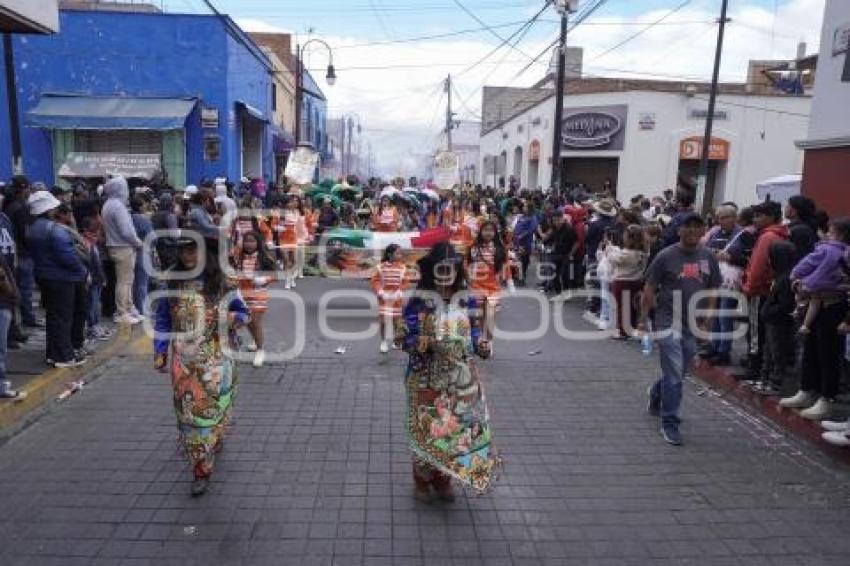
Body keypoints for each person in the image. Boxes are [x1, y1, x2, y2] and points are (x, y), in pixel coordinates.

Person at [396, 243, 500, 501]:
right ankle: (422, 479)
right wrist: (417, 343)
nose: (446, 272)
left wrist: (481, 345)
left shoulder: (468, 299)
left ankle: (444, 479)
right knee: (428, 428)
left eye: (450, 267)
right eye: (440, 268)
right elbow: (403, 336)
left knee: (455, 431)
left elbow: (474, 333)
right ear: (431, 271)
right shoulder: (419, 301)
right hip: (426, 377)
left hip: (459, 379)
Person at [153, 234, 250, 496]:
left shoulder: (223, 281)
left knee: (215, 407)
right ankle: (201, 468)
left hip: (217, 358)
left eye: (192, 251)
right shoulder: (169, 282)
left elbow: (244, 312)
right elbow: (162, 320)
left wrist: (233, 318)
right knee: (190, 414)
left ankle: (213, 439)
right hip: (184, 362)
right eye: (183, 251)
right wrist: (160, 350)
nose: (187, 256)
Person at [639, 213, 721, 446]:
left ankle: (656, 394)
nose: (693, 231)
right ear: (679, 230)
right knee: (675, 375)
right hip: (667, 321)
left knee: (678, 372)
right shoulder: (665, 256)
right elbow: (649, 288)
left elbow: (713, 288)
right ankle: (670, 423)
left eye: (698, 227)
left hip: (693, 324)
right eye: (688, 227)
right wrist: (643, 320)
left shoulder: (708, 256)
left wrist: (709, 318)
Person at [780, 218, 850, 420]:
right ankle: (807, 389)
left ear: (839, 234)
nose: (827, 234)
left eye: (831, 230)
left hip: (834, 306)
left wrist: (804, 284)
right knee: (811, 349)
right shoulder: (832, 250)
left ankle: (826, 398)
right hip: (819, 304)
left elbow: (814, 275)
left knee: (828, 354)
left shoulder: (833, 251)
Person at [26, 191, 89, 368]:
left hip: (44, 276)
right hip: (62, 279)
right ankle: (64, 356)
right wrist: (82, 270)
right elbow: (68, 256)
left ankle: (53, 354)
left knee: (54, 317)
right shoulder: (54, 230)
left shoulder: (33, 227)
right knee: (63, 317)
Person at [741, 201, 789, 379]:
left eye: (759, 215)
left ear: (770, 217)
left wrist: (749, 288)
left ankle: (754, 365)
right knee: (763, 331)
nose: (755, 219)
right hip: (770, 289)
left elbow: (758, 267)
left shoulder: (767, 237)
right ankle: (760, 364)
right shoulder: (780, 234)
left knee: (755, 329)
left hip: (759, 290)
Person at [102, 176, 144, 325]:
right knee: (124, 282)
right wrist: (138, 242)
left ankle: (129, 308)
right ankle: (122, 312)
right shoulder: (118, 206)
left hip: (115, 246)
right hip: (123, 247)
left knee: (126, 281)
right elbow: (126, 231)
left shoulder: (108, 204)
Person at [231, 231, 276, 367]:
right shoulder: (239, 257)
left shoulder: (264, 257)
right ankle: (256, 342)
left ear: (258, 242)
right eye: (247, 241)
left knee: (254, 322)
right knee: (248, 322)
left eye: (252, 241)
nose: (249, 244)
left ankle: (260, 350)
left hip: (258, 295)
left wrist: (262, 279)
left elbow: (275, 275)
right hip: (242, 295)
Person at [757, 241, 797, 395]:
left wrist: (769, 311)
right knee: (769, 349)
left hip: (779, 321)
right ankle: (766, 377)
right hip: (772, 320)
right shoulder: (780, 274)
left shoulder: (786, 278)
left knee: (777, 351)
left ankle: (775, 381)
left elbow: (786, 304)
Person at [467, 220, 512, 345]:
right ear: (480, 231)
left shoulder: (500, 248)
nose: (488, 233)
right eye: (485, 230)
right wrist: (468, 279)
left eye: (491, 230)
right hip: (477, 286)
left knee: (490, 317)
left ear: (495, 232)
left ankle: (489, 341)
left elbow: (505, 265)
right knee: (480, 316)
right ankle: (482, 341)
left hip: (493, 287)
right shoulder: (473, 247)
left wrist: (505, 279)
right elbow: (468, 264)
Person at [4, 176, 39, 329]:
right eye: (28, 188)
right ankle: (28, 318)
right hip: (22, 254)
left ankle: (16, 322)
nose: (29, 191)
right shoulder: (21, 208)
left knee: (14, 289)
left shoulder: (10, 206)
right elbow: (25, 234)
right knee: (25, 289)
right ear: (23, 189)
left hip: (12, 253)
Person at [605, 224, 647, 339]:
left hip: (622, 281)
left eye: (625, 236)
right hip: (636, 281)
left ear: (630, 238)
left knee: (621, 307)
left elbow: (614, 259)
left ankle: (622, 330)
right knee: (631, 307)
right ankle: (630, 327)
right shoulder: (642, 253)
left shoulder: (627, 254)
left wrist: (609, 250)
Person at [370, 244, 411, 354]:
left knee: (395, 321)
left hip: (396, 299)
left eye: (400, 253)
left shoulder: (403, 268)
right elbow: (375, 281)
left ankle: (394, 340)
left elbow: (406, 282)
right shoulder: (381, 267)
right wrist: (380, 291)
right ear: (390, 254)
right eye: (397, 253)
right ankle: (383, 341)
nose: (400, 255)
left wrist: (399, 291)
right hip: (384, 298)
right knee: (384, 321)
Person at [0, 233, 24, 401]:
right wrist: (12, 293)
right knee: (0, 349)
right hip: (2, 303)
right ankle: (1, 386)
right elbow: (2, 276)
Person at [546, 210, 578, 299]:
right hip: (555, 254)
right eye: (554, 220)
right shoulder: (554, 228)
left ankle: (567, 293)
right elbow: (550, 238)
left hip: (565, 255)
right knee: (554, 275)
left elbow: (576, 242)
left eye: (558, 220)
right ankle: (559, 293)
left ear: (562, 218)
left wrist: (571, 254)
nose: (556, 222)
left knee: (564, 275)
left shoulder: (569, 228)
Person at [131, 196, 153, 317]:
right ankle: (142, 309)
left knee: (133, 282)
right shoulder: (143, 219)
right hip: (143, 250)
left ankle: (135, 307)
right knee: (142, 283)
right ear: (140, 206)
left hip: (130, 251)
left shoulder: (128, 217)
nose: (146, 206)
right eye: (144, 204)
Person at [784, 195, 818, 262]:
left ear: (794, 211)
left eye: (787, 206)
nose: (785, 208)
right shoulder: (805, 227)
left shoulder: (799, 230)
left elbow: (800, 257)